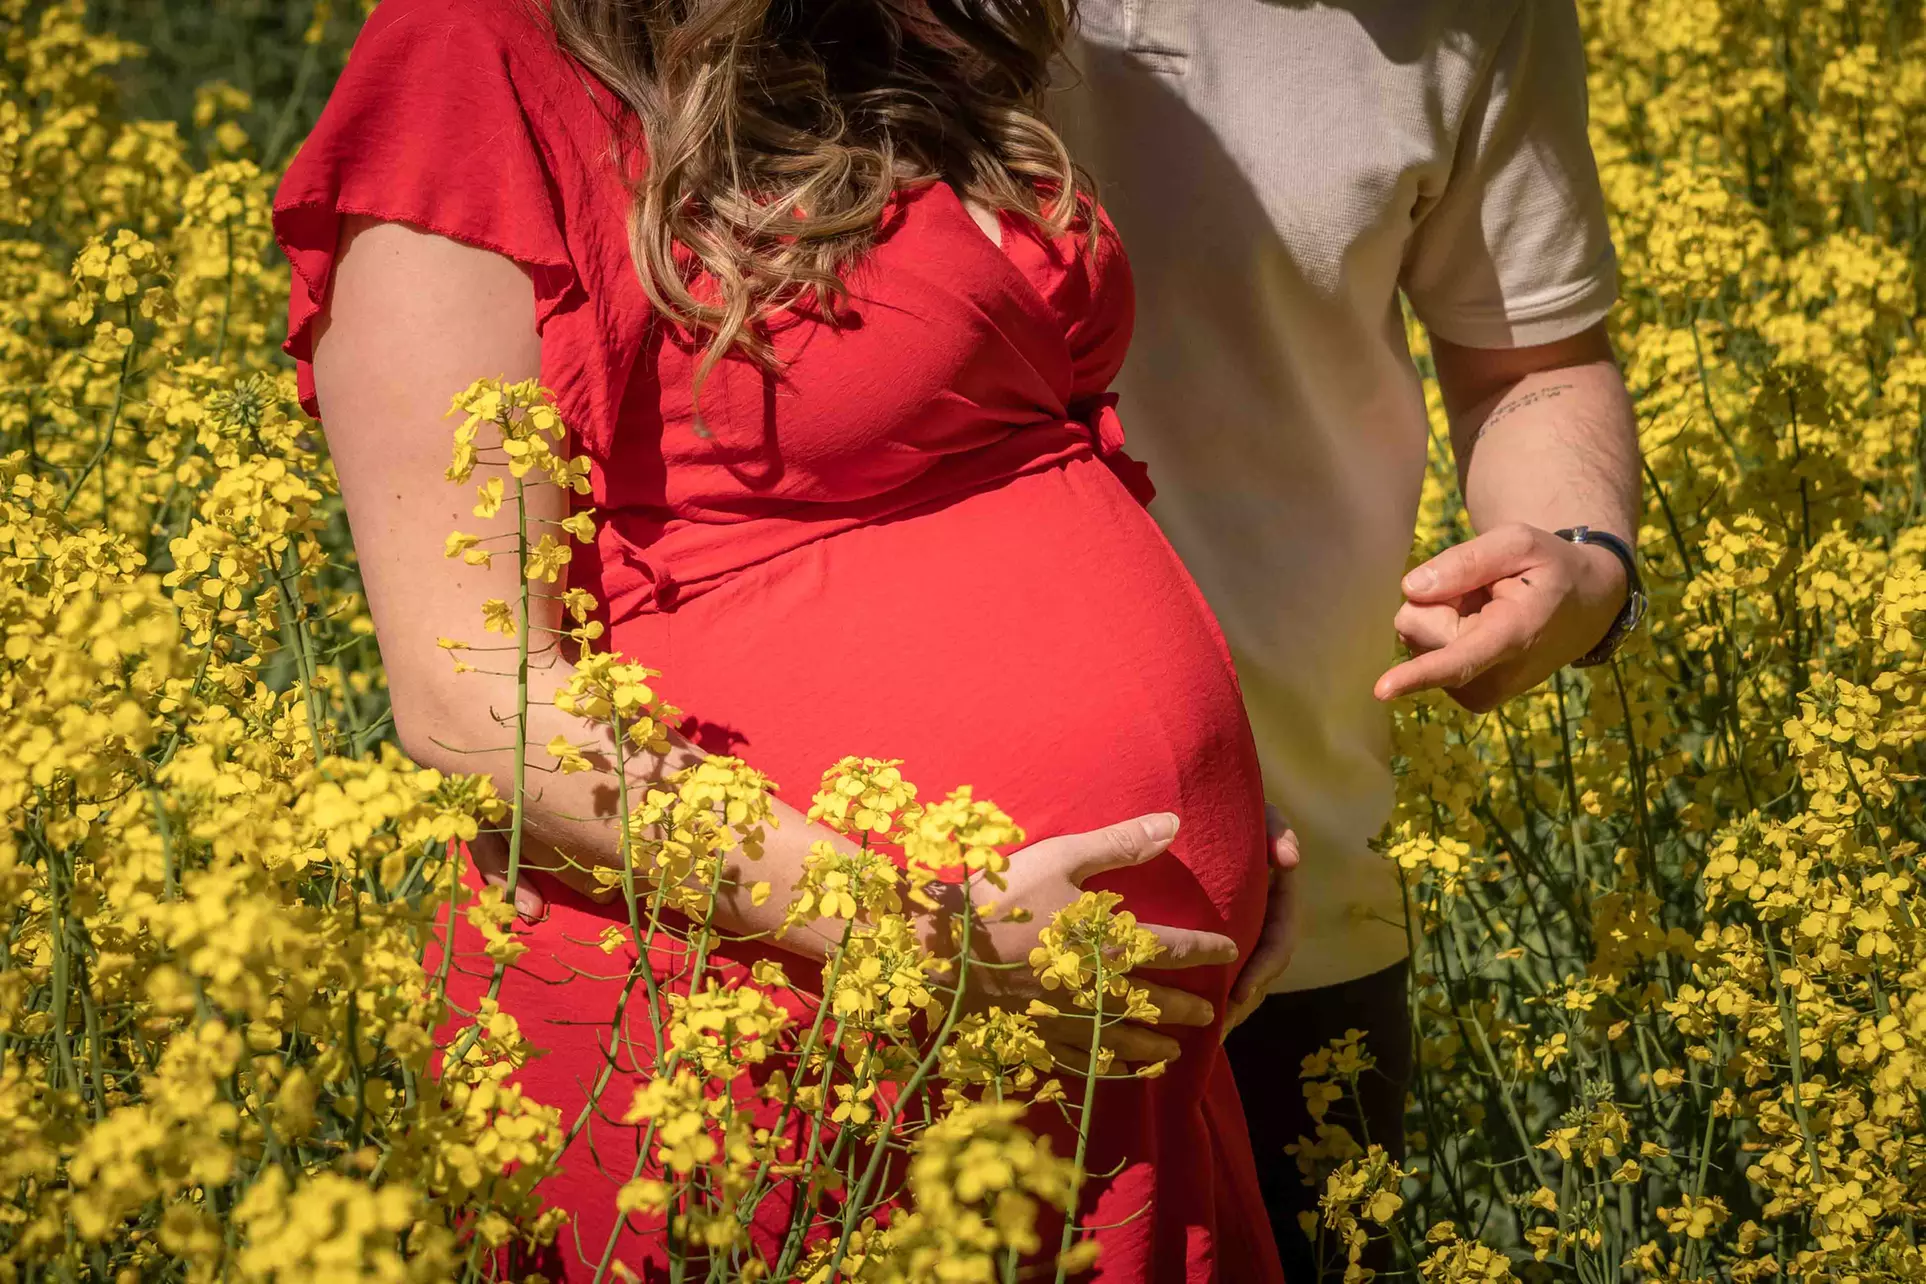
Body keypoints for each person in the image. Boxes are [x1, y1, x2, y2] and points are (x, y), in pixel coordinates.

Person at [273, 0, 1291, 1278]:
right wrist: (921, 940)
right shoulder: (473, 57)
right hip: (766, 1038)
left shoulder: (882, 29)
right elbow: (473, 697)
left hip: (1089, 1034)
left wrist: (1230, 830)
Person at [1054, 1, 1643, 1275]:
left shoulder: (1473, 18)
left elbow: (1530, 361)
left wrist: (1580, 565)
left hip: (1293, 906)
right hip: (855, 897)